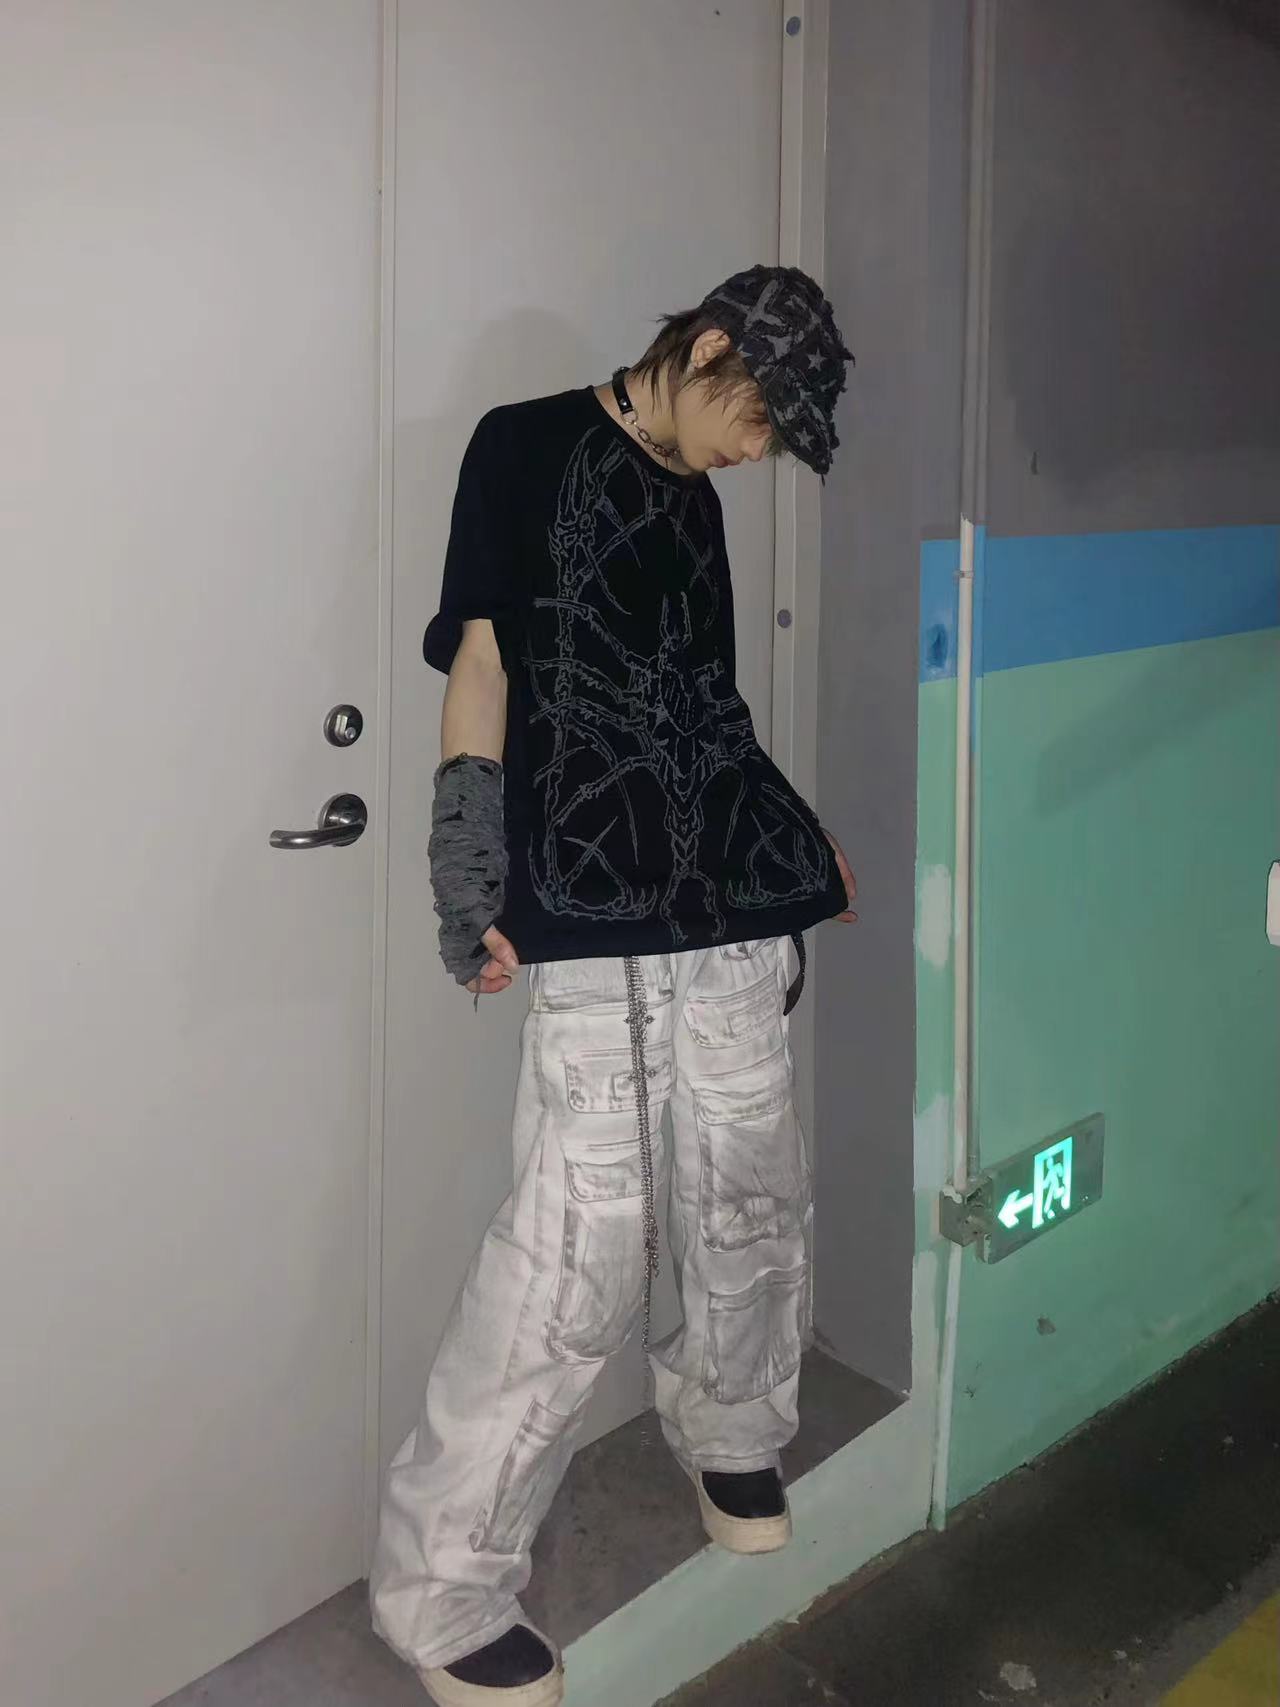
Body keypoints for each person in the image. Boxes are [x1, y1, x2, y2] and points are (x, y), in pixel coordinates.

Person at [371, 265, 857, 1707]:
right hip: (590, 902)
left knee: (751, 1183)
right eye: (757, 418)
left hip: (723, 901)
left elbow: (708, 707)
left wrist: (792, 839)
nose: (756, 453)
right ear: (705, 351)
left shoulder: (698, 500)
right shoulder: (521, 445)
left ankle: (731, 1431)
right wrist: (467, 873)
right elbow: (483, 667)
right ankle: (442, 1588)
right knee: (579, 1245)